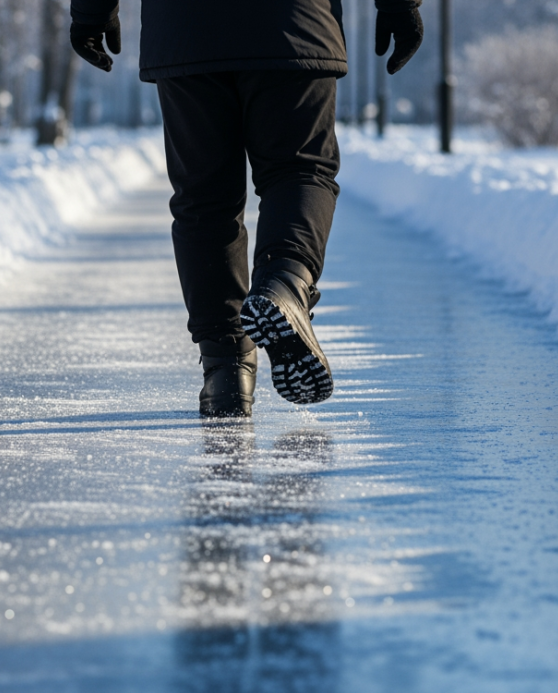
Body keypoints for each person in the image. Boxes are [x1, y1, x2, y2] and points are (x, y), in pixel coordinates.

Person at [69, 0, 422, 417]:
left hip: (185, 29)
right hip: (295, 21)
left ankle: (227, 370)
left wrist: (92, 11)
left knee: (204, 198)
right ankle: (285, 281)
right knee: (299, 169)